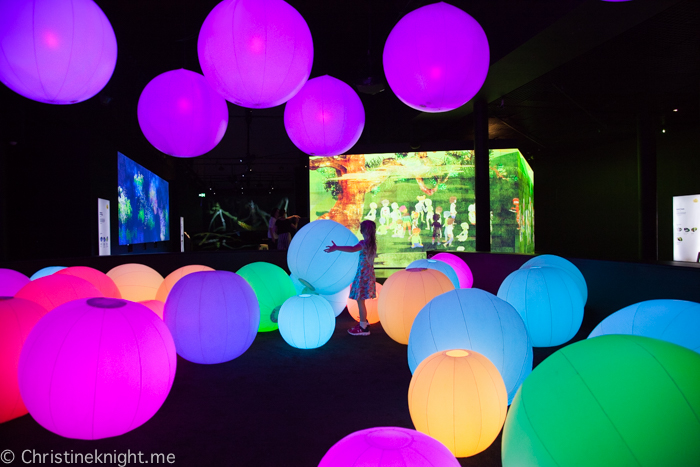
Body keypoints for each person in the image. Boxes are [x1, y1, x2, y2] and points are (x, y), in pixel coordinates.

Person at [324, 220, 377, 336]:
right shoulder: (372, 243)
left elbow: (353, 249)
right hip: (368, 275)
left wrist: (336, 247)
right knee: (361, 301)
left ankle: (363, 327)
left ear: (362, 230)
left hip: (363, 275)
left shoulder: (364, 243)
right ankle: (364, 322)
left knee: (360, 301)